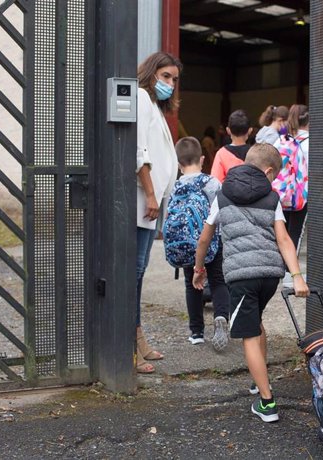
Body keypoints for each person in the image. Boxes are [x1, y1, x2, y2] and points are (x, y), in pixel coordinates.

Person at [192, 143, 310, 423]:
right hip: (270, 274)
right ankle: (260, 381)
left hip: (242, 276)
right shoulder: (271, 197)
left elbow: (205, 238)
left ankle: (267, 404)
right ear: (268, 171)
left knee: (248, 335)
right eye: (275, 175)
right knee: (255, 323)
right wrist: (297, 276)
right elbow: (283, 239)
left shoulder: (222, 196)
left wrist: (199, 268)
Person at [135, 51, 183, 374]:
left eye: (174, 80)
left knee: (138, 274)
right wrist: (151, 193)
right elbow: (139, 151)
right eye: (165, 76)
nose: (170, 84)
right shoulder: (140, 98)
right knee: (133, 274)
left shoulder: (154, 107)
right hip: (142, 201)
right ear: (152, 73)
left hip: (151, 205)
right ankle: (129, 348)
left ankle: (137, 338)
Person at [172, 137, 231, 350]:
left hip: (188, 244)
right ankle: (222, 316)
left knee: (192, 283)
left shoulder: (176, 185)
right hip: (213, 239)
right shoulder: (212, 183)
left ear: (178, 164)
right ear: (203, 159)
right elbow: (222, 211)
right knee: (218, 280)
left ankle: (196, 332)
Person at [274, 104, 309, 250]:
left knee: (281, 233)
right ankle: (291, 268)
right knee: (296, 233)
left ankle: (280, 266)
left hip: (281, 194)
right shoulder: (311, 143)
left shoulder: (281, 141)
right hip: (301, 196)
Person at [210, 110, 252, 182]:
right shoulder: (256, 152)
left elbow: (215, 182)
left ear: (228, 130)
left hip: (229, 192)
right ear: (250, 131)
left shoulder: (221, 154)